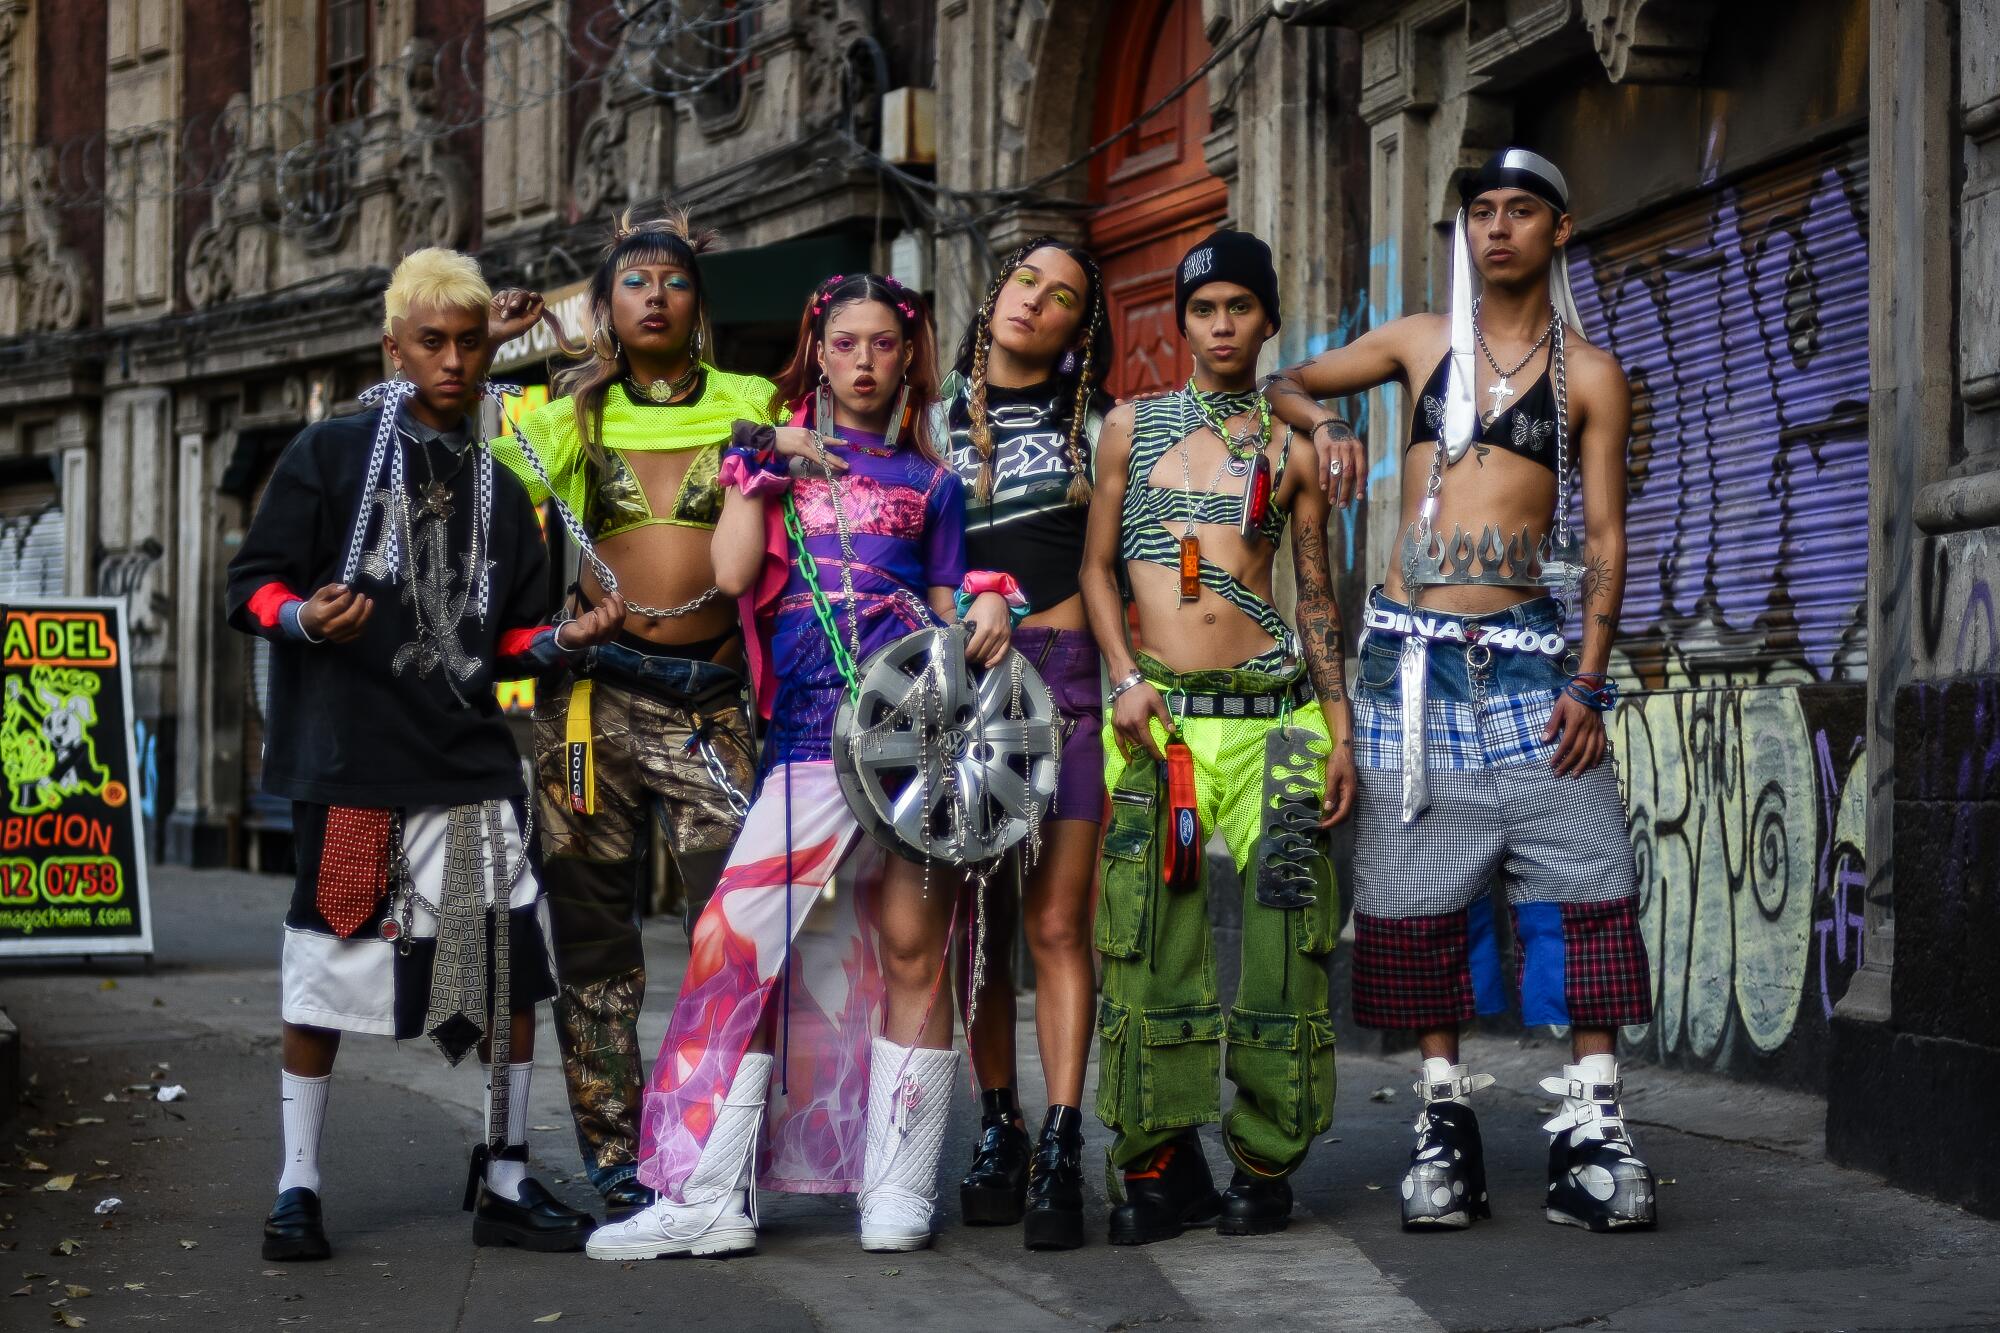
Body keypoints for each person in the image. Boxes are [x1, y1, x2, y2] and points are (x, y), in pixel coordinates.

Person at [584, 273, 1024, 1260]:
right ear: (816, 354)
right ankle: (707, 1194)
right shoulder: (774, 463)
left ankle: (898, 1192)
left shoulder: (933, 484)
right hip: (806, 743)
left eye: (882, 344)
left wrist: (996, 602)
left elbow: (954, 608)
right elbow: (734, 573)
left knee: (917, 954)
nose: (864, 361)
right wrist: (751, 460)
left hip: (917, 746)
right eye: (845, 343)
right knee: (736, 948)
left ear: (908, 356)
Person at [1264, 148, 1657, 1233]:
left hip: (1532, 659)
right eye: (1478, 212)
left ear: (1556, 230)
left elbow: (1607, 536)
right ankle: (1442, 1120)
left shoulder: (1589, 374)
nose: (1494, 229)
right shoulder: (1418, 342)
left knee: (1585, 878)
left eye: (1517, 211)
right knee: (1413, 893)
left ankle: (1591, 1118)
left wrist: (1588, 678)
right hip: (1407, 662)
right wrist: (1323, 426)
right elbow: (1282, 380)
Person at [227, 249, 624, 1261]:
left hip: (467, 768)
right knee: (329, 962)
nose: (454, 361)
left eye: (471, 343)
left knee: (499, 971)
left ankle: (501, 1177)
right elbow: (250, 589)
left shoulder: (506, 477)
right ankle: (297, 1187)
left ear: (493, 347)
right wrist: (305, 617)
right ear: (393, 347)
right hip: (352, 765)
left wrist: (562, 644)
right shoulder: (329, 452)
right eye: (433, 343)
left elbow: (511, 660)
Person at [485, 208, 776, 1221]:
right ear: (605, 306)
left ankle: (711, 1143)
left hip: (713, 702)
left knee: (733, 933)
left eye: (675, 281)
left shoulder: (752, 400)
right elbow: (486, 487)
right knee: (593, 940)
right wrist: (509, 358)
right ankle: (614, 1155)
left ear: (699, 305)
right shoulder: (569, 416)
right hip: (592, 705)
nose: (654, 295)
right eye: (633, 282)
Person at [1078, 230, 1357, 1246]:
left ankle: (1262, 1160)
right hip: (1159, 726)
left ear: (1265, 319)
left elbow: (1316, 594)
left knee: (1289, 941)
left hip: (1275, 719)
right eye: (1203, 309)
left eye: (1240, 307)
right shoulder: (1128, 428)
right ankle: (1153, 1165)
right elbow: (1096, 569)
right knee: (1148, 944)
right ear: (1181, 320)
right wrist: (1121, 679)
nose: (1221, 325)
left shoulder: (1290, 453)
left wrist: (1337, 729)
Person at [934, 237, 1112, 1251]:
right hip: (958, 691)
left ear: (1078, 328)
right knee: (978, 931)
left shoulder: (1097, 427)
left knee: (1054, 926)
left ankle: (1059, 1138)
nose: (1033, 304)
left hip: (1069, 678)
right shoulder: (924, 421)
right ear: (993, 290)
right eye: (1021, 283)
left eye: (1061, 298)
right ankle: (995, 1124)